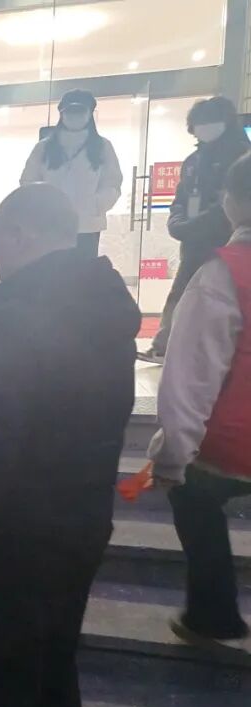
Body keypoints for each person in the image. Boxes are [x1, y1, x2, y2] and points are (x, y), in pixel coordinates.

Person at [0, 183, 140, 707]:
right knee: (52, 671)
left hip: (12, 544)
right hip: (81, 526)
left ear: (20, 236)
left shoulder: (17, 322)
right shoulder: (110, 315)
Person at [147, 149, 251, 652]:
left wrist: (172, 457)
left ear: (230, 202)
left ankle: (212, 615)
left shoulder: (224, 273)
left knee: (191, 492)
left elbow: (189, 379)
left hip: (236, 443)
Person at [140, 96, 251, 364]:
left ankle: (211, 351)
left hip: (224, 237)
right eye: (199, 123)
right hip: (192, 239)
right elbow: (181, 196)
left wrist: (193, 226)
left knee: (219, 294)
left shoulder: (240, 157)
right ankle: (164, 346)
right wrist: (177, 222)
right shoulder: (193, 160)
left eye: (210, 121)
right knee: (181, 290)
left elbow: (228, 203)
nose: (204, 128)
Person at [21, 89, 123, 257]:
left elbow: (112, 183)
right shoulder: (44, 147)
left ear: (90, 114)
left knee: (84, 271)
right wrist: (42, 208)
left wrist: (95, 205)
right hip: (51, 227)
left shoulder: (102, 146)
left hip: (88, 226)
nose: (74, 116)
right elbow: (28, 182)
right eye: (69, 111)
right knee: (52, 271)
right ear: (61, 114)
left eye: (80, 111)